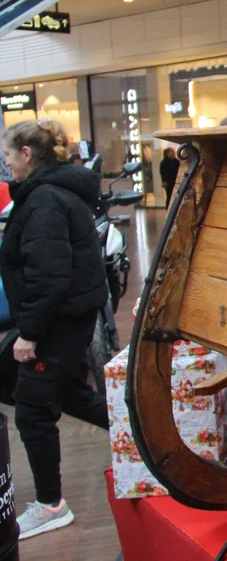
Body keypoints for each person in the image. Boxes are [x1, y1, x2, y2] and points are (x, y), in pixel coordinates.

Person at [0, 119, 108, 540]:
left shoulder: (44, 199)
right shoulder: (48, 191)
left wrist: (29, 334)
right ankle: (138, 436)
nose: (6, 164)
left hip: (58, 320)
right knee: (66, 394)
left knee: (32, 408)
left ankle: (51, 506)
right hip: (63, 316)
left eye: (8, 155)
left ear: (27, 155)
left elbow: (49, 277)